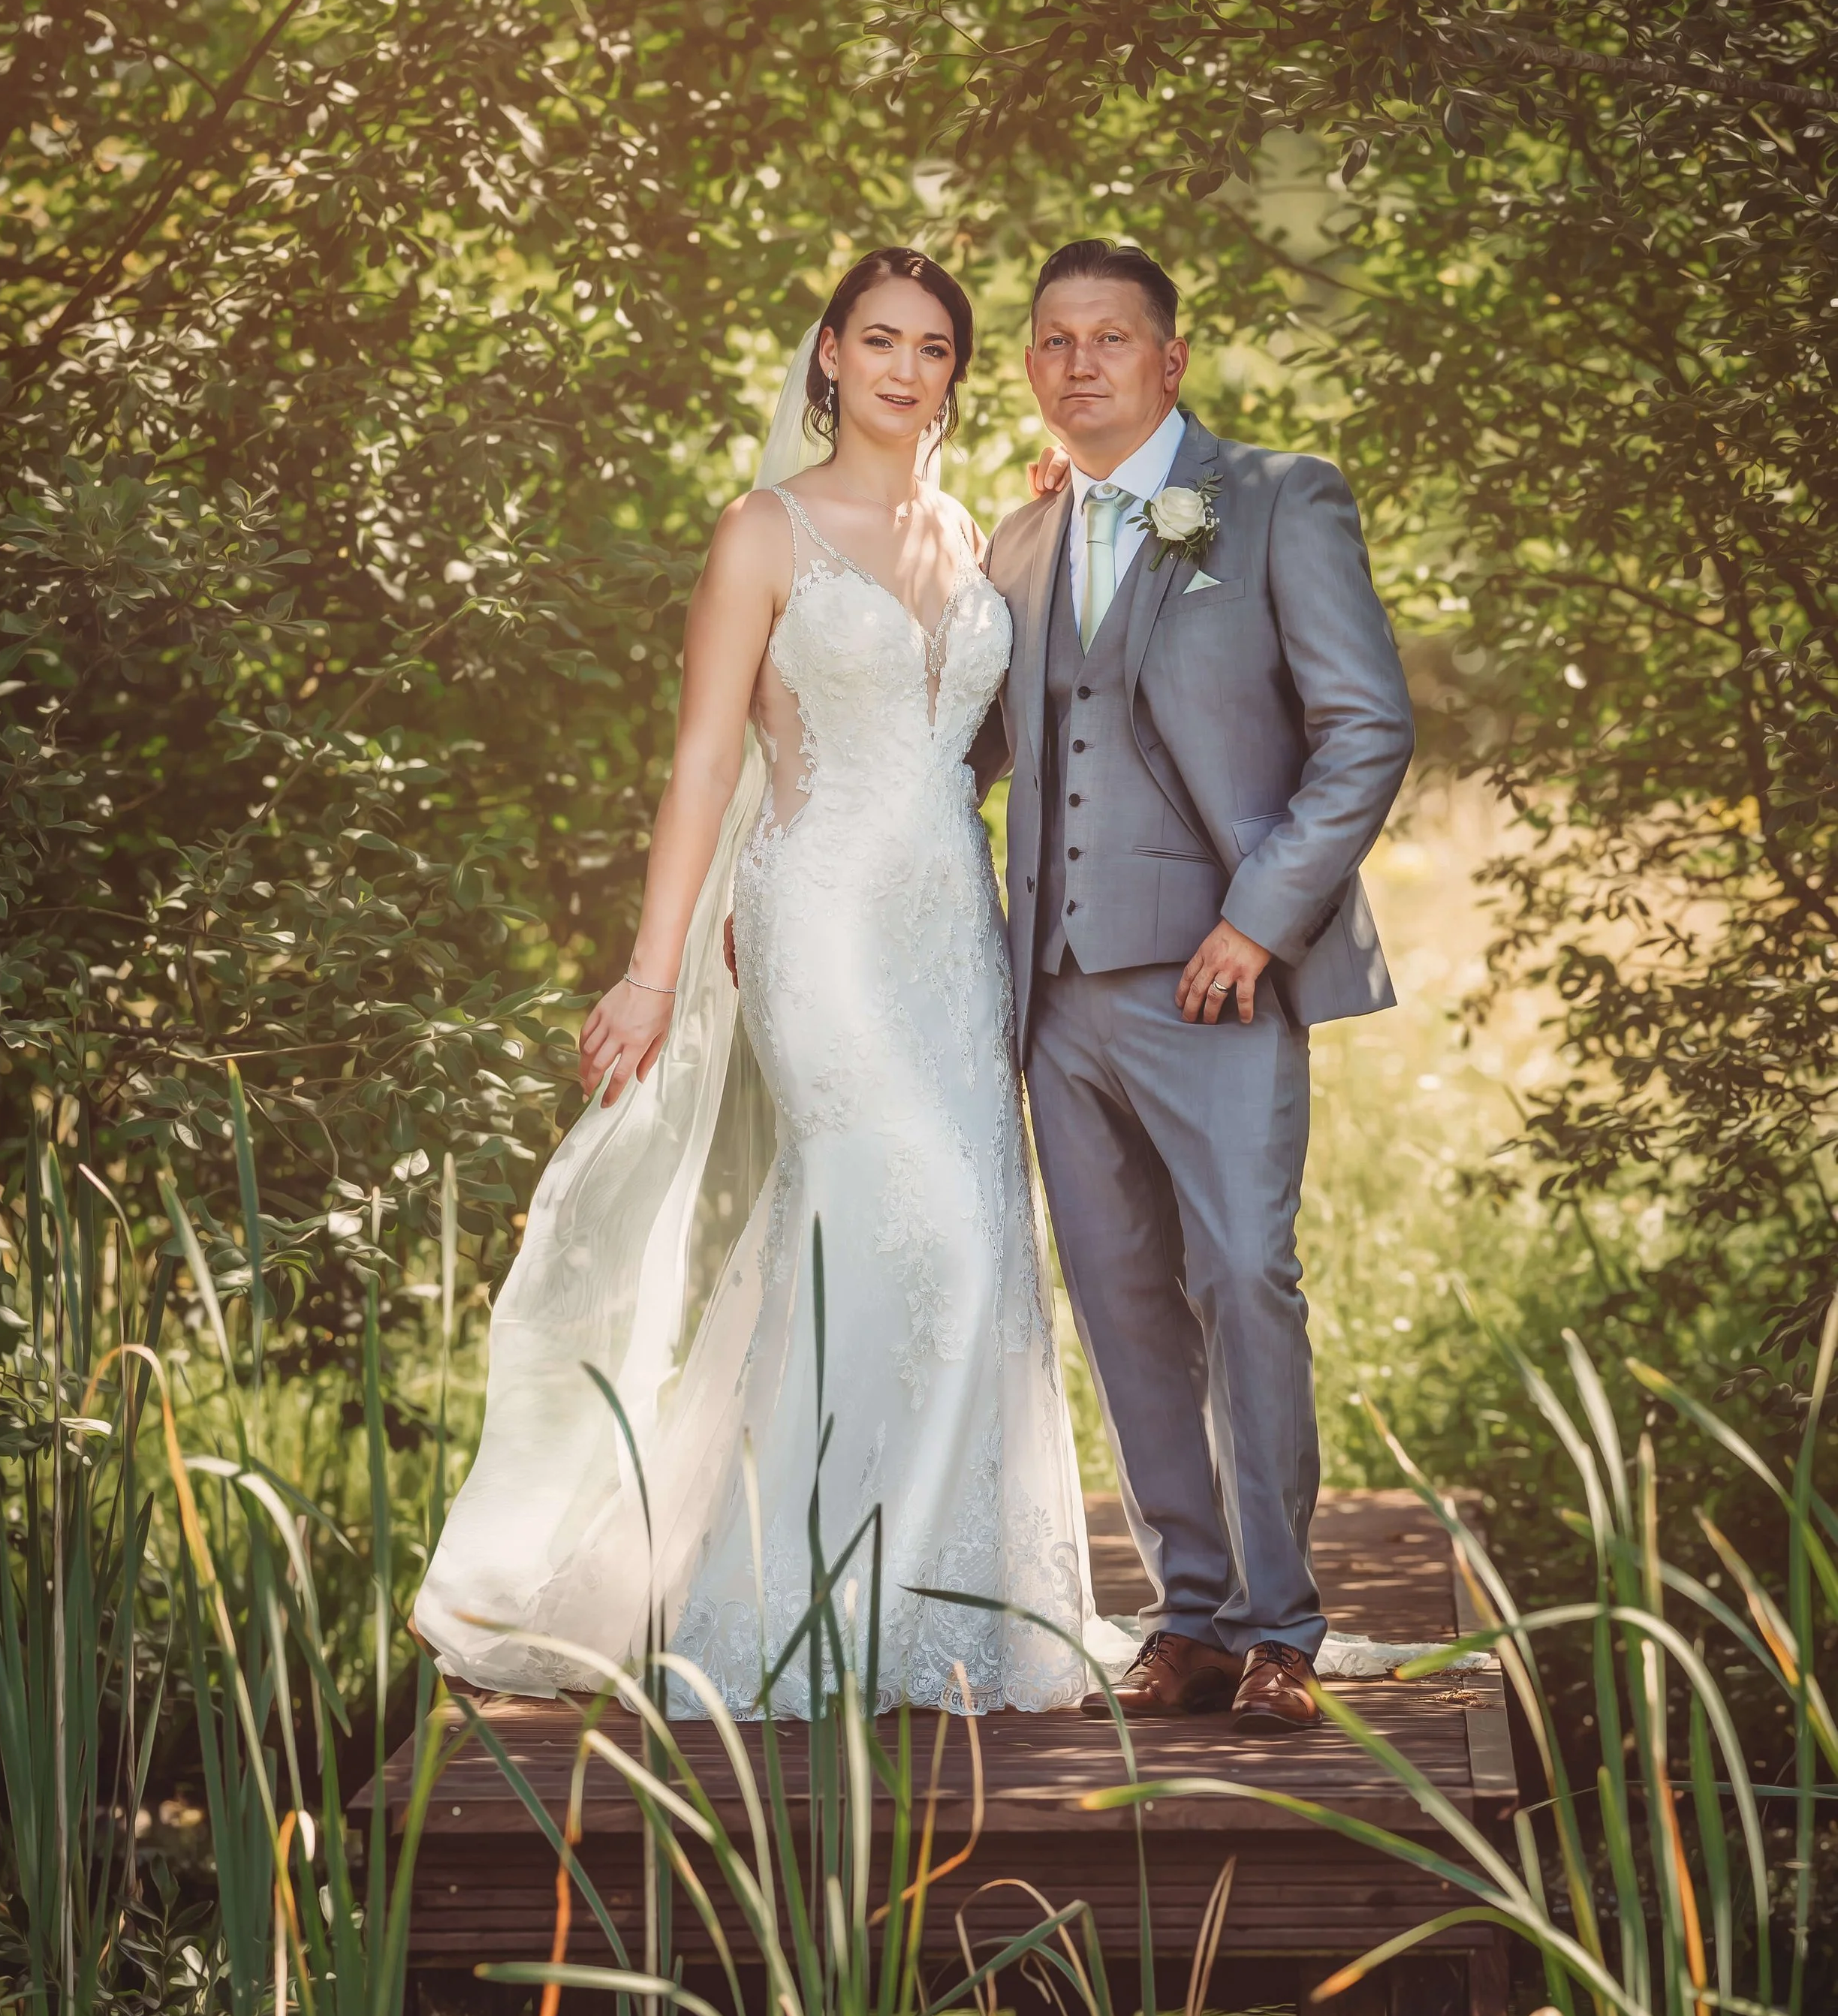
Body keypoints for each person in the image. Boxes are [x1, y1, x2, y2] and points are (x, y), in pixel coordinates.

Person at [415, 249, 1113, 1715]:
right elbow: (703, 759)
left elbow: (987, 735)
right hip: (817, 922)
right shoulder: (763, 531)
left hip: (949, 931)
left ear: (953, 372)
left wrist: (1055, 522)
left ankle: (929, 1602)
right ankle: (802, 1602)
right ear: (828, 357)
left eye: (931, 346)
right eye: (877, 339)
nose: (903, 368)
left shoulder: (973, 535)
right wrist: (652, 968)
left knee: (961, 1239)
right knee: (893, 1217)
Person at [972, 240, 1414, 1726]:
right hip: (1053, 992)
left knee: (1240, 1275)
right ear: (1029, 369)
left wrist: (1260, 918)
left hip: (1215, 981)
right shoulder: (1016, 547)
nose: (1077, 360)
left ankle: (1283, 1623)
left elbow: (1364, 729)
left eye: (1108, 337)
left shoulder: (1277, 498)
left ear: (1168, 359)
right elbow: (963, 745)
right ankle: (1193, 1614)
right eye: (1051, 339)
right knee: (1119, 1300)